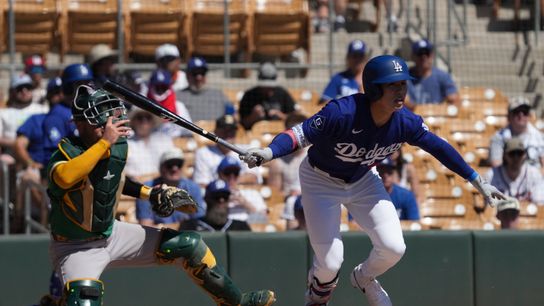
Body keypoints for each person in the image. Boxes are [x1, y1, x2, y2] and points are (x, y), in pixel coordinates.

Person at [240, 54, 505, 306]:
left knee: (393, 248)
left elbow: (438, 147)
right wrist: (268, 152)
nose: (401, 91)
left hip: (363, 179)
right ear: (375, 89)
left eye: (404, 85)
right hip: (320, 181)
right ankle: (317, 298)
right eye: (393, 86)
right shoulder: (342, 112)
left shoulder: (405, 122)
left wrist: (475, 178)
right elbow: (299, 134)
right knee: (330, 263)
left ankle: (364, 277)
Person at [40, 85, 275, 306]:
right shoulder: (66, 151)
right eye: (99, 119)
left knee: (188, 245)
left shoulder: (116, 145)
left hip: (112, 234)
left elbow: (113, 180)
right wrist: (104, 143)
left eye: (109, 116)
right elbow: (66, 177)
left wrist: (149, 193)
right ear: (80, 123)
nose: (108, 124)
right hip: (75, 246)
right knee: (84, 299)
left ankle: (236, 301)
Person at [136, 148, 205, 230]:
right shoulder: (148, 189)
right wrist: (177, 226)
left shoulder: (193, 188)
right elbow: (146, 227)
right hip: (158, 239)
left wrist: (163, 227)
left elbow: (199, 223)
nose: (174, 169)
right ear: (161, 168)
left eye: (178, 164)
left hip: (185, 237)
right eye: (170, 165)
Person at [42, 63, 94, 168]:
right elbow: (54, 155)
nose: (86, 89)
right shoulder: (57, 115)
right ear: (68, 88)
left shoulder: (92, 109)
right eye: (80, 84)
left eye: (88, 84)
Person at [193, 114, 261, 187]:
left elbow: (253, 177)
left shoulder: (246, 151)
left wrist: (229, 183)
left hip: (241, 192)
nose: (228, 134)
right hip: (215, 195)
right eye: (224, 130)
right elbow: (201, 183)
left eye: (231, 131)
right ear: (216, 132)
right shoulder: (203, 153)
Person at [0, 74, 48, 163]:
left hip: (38, 156)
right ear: (12, 91)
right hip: (12, 158)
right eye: (20, 88)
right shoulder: (3, 113)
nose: (24, 91)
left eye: (28, 87)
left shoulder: (43, 110)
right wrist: (18, 144)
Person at [489, 96, 544, 170]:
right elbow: (497, 165)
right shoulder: (499, 137)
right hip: (509, 178)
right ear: (509, 116)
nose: (521, 115)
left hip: (536, 178)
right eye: (516, 111)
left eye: (525, 111)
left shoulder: (539, 136)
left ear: (529, 115)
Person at [238, 62, 297, 130]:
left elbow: (295, 119)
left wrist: (281, 115)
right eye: (265, 87)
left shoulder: (282, 93)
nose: (269, 89)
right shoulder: (249, 96)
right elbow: (242, 125)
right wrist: (253, 116)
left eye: (271, 87)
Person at [485, 137, 544, 205]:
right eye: (512, 153)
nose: (516, 158)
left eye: (519, 153)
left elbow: (539, 204)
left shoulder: (534, 174)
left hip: (525, 214)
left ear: (525, 155)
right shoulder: (491, 175)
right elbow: (488, 206)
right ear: (504, 155)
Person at [176, 56, 235, 122]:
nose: (199, 77)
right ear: (187, 75)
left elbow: (232, 115)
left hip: (214, 131)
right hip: (188, 131)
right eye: (194, 73)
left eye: (202, 72)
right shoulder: (178, 96)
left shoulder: (218, 94)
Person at [180, 179, 252, 232]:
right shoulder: (190, 227)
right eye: (216, 196)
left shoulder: (241, 227)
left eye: (225, 197)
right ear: (206, 199)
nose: (221, 200)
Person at [124, 106, 175, 179]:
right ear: (133, 122)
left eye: (148, 117)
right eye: (140, 117)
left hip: (161, 184)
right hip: (134, 186)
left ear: (153, 122)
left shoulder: (164, 140)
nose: (144, 121)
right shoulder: (126, 144)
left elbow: (173, 164)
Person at [407, 39, 460, 107]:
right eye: (420, 53)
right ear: (413, 56)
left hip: (436, 115)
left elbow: (453, 98)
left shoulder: (443, 76)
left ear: (432, 55)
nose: (424, 57)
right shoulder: (405, 77)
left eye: (427, 53)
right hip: (411, 116)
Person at [267, 112, 308, 199]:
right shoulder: (278, 162)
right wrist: (289, 195)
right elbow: (274, 197)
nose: (298, 137)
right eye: (294, 134)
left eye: (301, 133)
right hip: (290, 206)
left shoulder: (316, 153)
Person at [217, 156, 268, 222]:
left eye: (235, 173)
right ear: (219, 174)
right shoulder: (213, 194)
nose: (232, 178)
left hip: (247, 230)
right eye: (227, 173)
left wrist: (245, 203)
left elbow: (264, 220)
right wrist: (224, 202)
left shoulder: (252, 193)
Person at [319, 40, 367, 105]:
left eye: (360, 56)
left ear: (365, 58)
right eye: (354, 56)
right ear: (348, 57)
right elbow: (324, 103)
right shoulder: (338, 78)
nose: (358, 60)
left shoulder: (370, 79)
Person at [147, 69, 192, 137]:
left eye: (163, 87)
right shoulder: (142, 106)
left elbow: (189, 132)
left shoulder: (179, 106)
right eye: (157, 87)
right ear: (151, 86)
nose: (160, 90)